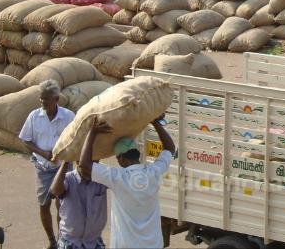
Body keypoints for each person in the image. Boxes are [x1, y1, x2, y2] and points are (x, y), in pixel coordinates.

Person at [80, 116, 176, 249]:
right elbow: (170, 148)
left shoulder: (117, 177)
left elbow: (84, 165)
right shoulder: (153, 172)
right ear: (138, 154)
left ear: (122, 160)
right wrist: (155, 122)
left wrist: (92, 132)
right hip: (153, 245)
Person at [19, 80, 76, 249]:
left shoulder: (68, 116)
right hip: (43, 168)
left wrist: (66, 156)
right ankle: (51, 240)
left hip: (63, 167)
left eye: (46, 99)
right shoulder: (34, 116)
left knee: (62, 205)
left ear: (56, 99)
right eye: (41, 98)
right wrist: (43, 153)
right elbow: (25, 140)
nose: (43, 102)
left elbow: (76, 139)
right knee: (44, 204)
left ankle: (62, 240)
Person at [50, 159, 108, 249]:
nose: (91, 168)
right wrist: (66, 161)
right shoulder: (68, 178)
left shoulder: (101, 179)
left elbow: (121, 177)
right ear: (77, 162)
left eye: (95, 164)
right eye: (88, 164)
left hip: (94, 241)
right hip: (70, 241)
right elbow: (55, 191)